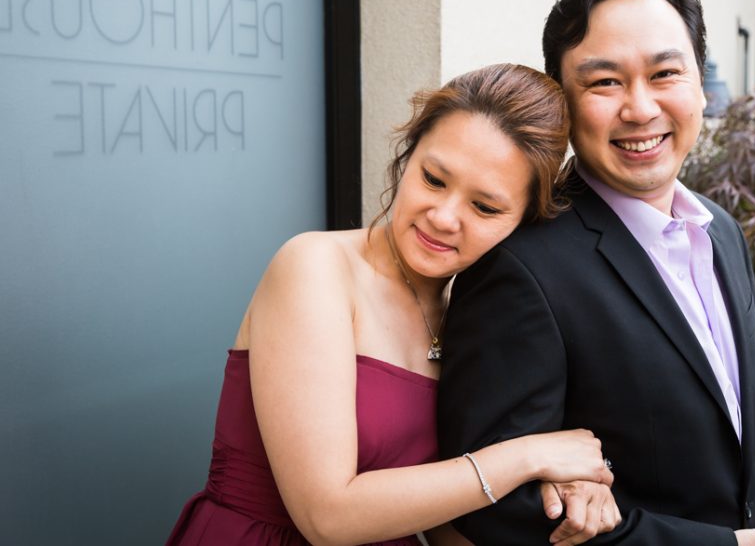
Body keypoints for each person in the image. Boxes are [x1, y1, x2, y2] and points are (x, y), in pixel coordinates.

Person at [437, 0, 755, 545]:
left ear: (700, 84)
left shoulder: (720, 229)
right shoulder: (518, 268)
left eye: (665, 74)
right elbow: (498, 509)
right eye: (604, 82)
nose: (640, 109)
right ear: (564, 104)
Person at [166, 63, 620, 546]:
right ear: (408, 156)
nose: (444, 218)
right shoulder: (315, 268)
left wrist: (575, 488)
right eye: (433, 179)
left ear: (524, 222)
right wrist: (528, 457)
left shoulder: (469, 319)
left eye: (484, 207)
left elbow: (443, 513)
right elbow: (326, 516)